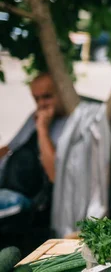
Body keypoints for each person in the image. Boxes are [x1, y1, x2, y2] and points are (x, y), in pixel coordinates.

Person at [0, 73, 69, 254]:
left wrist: (42, 130)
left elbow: (55, 174)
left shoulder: (68, 125)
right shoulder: (35, 117)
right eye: (36, 98)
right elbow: (10, 147)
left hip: (30, 202)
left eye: (47, 96)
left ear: (61, 93)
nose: (41, 104)